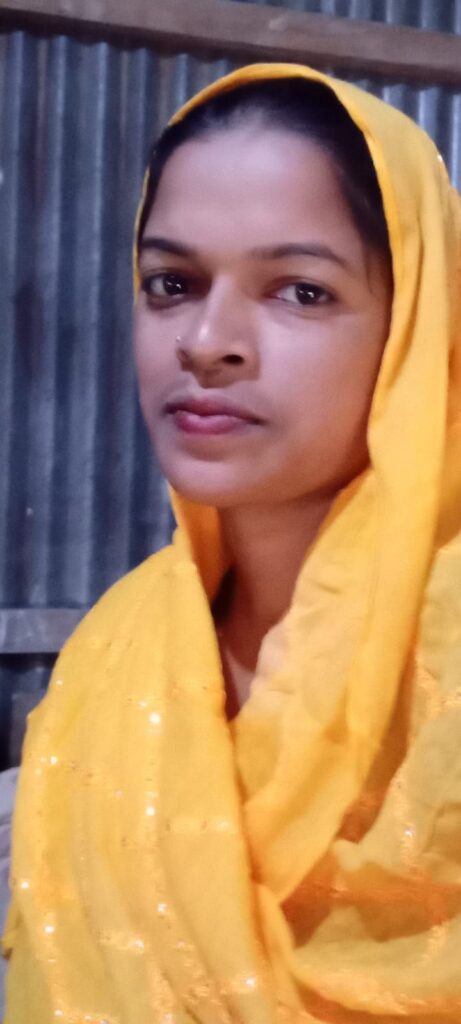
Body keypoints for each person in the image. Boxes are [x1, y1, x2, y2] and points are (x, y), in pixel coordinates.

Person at [2, 61, 461, 1023]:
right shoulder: (116, 655)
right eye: (171, 283)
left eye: (299, 292)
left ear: (415, 325)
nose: (207, 340)